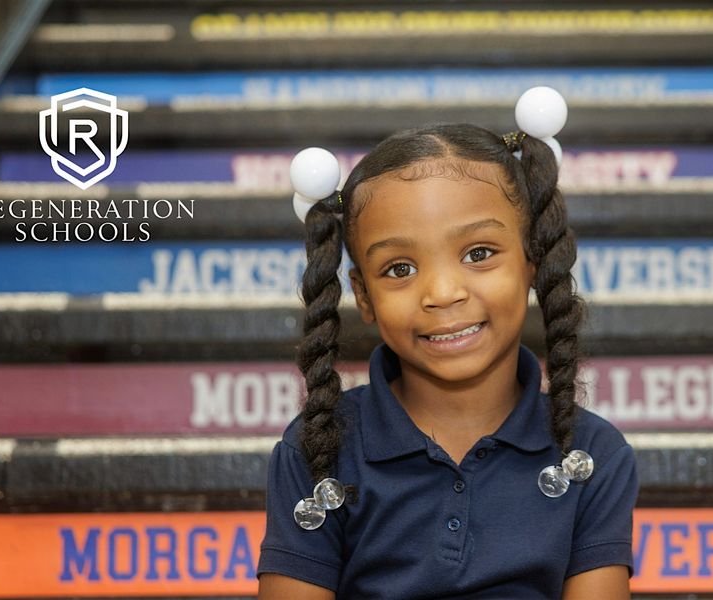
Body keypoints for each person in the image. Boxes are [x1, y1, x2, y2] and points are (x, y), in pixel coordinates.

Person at [257, 88, 638, 599]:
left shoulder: (592, 453)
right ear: (363, 296)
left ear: (533, 260)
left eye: (478, 253)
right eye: (400, 269)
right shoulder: (318, 451)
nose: (442, 293)